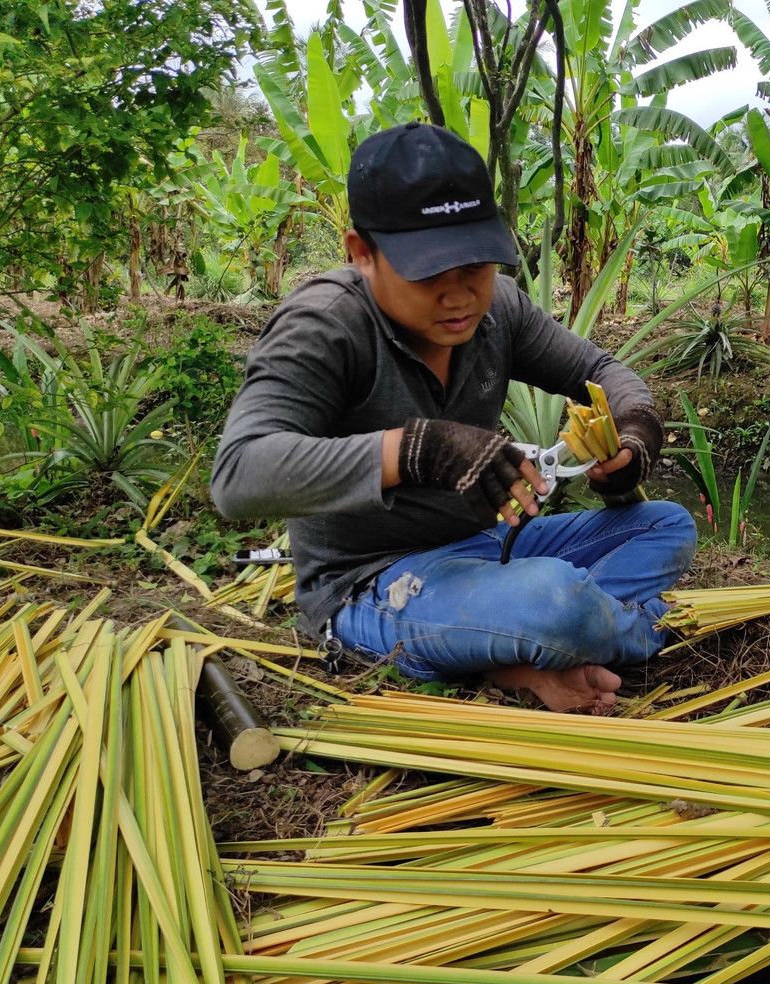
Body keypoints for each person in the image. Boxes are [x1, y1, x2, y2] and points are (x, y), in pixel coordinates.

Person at [212, 122, 697, 713]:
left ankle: (532, 648)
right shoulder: (325, 326)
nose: (459, 295)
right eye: (429, 273)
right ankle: (620, 636)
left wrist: (636, 432)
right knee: (556, 602)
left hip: (484, 547)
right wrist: (421, 449)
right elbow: (238, 475)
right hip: (371, 582)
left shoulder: (500, 310)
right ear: (361, 253)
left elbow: (600, 370)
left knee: (665, 526)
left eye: (476, 266)